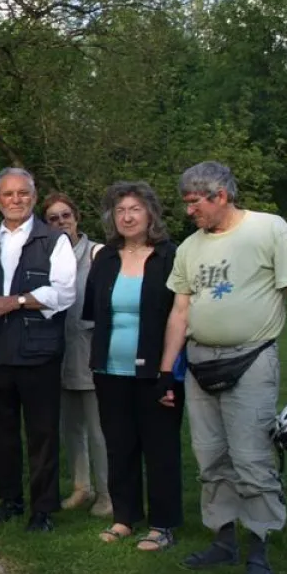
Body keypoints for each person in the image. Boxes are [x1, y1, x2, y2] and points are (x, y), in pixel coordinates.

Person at [158, 161, 287, 574]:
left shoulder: (269, 229)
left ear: (221, 196)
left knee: (251, 457)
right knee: (210, 455)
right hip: (199, 362)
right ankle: (223, 539)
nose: (189, 211)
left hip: (252, 357)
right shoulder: (190, 247)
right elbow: (180, 311)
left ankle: (259, 548)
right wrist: (166, 370)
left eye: (195, 202)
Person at [0, 167, 76, 533]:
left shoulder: (53, 240)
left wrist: (17, 301)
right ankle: (9, 500)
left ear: (33, 197)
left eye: (23, 193)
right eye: (8, 194)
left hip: (38, 351)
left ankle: (42, 510)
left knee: (42, 433)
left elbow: (64, 292)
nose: (16, 200)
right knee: (1, 433)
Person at [83, 182, 184, 551]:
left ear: (151, 214)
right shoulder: (105, 258)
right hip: (110, 369)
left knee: (160, 448)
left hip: (157, 372)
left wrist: (168, 372)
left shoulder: (169, 257)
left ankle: (162, 524)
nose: (126, 217)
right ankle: (124, 516)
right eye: (120, 210)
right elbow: (94, 311)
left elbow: (180, 315)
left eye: (134, 209)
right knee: (119, 445)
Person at [42, 192, 111, 517]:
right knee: (71, 429)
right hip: (58, 354)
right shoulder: (47, 256)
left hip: (91, 352)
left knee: (99, 430)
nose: (61, 222)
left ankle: (107, 494)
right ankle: (81, 487)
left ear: (76, 217)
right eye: (53, 219)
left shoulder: (98, 254)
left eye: (65, 216)